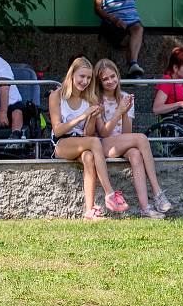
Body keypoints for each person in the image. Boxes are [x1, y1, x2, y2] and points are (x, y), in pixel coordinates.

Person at [49, 57, 129, 221]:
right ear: (72, 75)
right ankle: (110, 194)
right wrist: (82, 116)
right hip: (62, 142)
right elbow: (57, 130)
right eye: (82, 76)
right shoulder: (56, 95)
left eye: (89, 78)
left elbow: (87, 133)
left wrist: (92, 117)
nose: (85, 81)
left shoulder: (90, 98)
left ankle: (89, 211)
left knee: (89, 156)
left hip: (82, 141)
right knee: (94, 142)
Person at [94, 58, 172, 219]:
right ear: (99, 82)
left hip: (121, 142)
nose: (110, 81)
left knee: (136, 154)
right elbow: (103, 132)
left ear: (118, 75)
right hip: (102, 144)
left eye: (112, 76)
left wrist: (124, 112)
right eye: (105, 79)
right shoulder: (96, 99)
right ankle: (157, 191)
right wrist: (118, 111)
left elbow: (126, 133)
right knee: (142, 138)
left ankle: (145, 209)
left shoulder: (123, 96)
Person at [94, 0, 147, 77]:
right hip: (112, 24)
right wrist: (114, 20)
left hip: (132, 22)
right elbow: (97, 8)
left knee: (138, 29)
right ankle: (133, 69)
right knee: (132, 39)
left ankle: (132, 66)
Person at [152, 47, 183, 116]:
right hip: (174, 121)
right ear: (175, 67)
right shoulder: (167, 82)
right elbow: (156, 109)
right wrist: (180, 104)